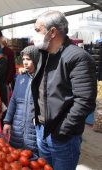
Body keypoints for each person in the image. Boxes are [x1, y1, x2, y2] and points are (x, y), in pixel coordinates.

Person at [32, 11, 97, 170]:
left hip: (62, 136)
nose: (35, 35)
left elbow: (85, 101)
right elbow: (41, 90)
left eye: (37, 30)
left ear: (52, 32)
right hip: (42, 130)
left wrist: (63, 129)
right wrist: (37, 119)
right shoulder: (45, 54)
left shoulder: (78, 57)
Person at [3, 45, 40, 159]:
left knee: (33, 159)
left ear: (36, 59)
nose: (25, 62)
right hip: (17, 128)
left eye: (28, 59)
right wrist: (7, 121)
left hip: (33, 130)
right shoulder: (20, 78)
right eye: (23, 59)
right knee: (16, 158)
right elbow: (13, 101)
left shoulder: (42, 79)